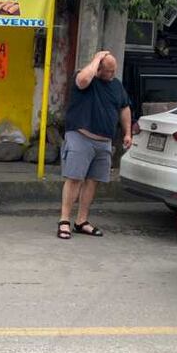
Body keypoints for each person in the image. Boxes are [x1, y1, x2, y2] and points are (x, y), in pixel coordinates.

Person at [58, 50, 132, 239]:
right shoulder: (84, 78)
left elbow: (124, 107)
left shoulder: (116, 85)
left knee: (93, 181)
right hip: (80, 136)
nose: (112, 74)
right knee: (74, 178)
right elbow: (83, 80)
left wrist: (128, 132)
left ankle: (81, 220)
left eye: (114, 70)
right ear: (98, 68)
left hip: (104, 141)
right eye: (108, 71)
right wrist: (97, 58)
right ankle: (64, 220)